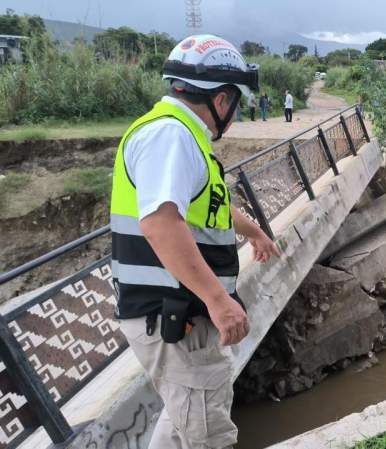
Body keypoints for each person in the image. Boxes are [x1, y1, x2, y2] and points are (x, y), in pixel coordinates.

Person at [110, 34, 281, 448]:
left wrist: (254, 230)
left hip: (174, 310)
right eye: (236, 104)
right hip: (173, 313)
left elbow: (210, 209)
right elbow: (161, 224)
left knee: (182, 419)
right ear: (222, 101)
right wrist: (219, 301)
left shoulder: (180, 136)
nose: (235, 114)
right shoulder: (171, 137)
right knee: (207, 434)